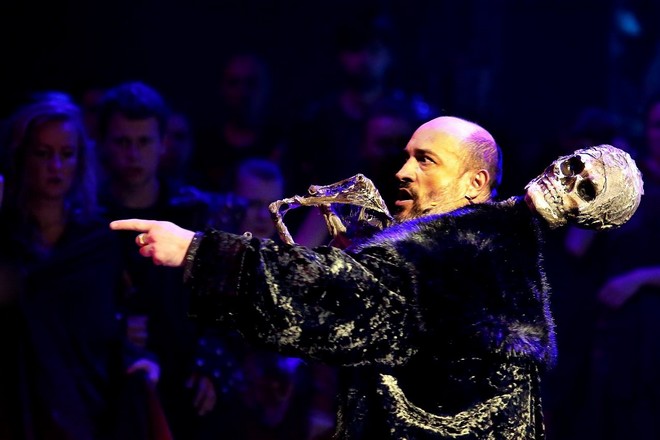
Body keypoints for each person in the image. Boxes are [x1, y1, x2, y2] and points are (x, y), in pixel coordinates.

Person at [109, 116, 643, 439]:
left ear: (473, 183)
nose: (403, 172)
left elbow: (336, 300)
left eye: (426, 160)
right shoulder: (491, 252)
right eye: (407, 156)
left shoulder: (461, 256)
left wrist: (202, 253)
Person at [0, 98, 162, 439]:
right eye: (43, 154)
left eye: (66, 154)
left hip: (85, 405)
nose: (55, 166)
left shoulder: (97, 242)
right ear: (22, 156)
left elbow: (107, 326)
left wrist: (136, 357)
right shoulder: (6, 236)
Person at [95, 81, 219, 439]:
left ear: (163, 142)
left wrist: (209, 364)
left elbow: (220, 297)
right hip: (106, 381)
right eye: (122, 142)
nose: (133, 154)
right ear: (103, 144)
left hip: (184, 379)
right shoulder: (87, 218)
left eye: (144, 142)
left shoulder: (193, 211)